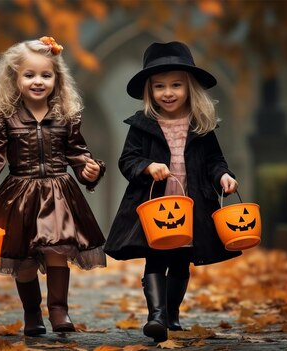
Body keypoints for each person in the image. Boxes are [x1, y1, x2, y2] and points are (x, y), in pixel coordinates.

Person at [0, 36, 107, 336]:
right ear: (14, 78)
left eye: (46, 75)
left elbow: (77, 153)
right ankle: (33, 313)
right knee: (24, 259)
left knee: (58, 249)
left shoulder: (66, 116)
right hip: (19, 194)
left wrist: (90, 170)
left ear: (57, 79)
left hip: (59, 193)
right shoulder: (4, 117)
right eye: (29, 75)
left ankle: (59, 311)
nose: (38, 81)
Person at [103, 41, 241, 343]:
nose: (168, 92)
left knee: (180, 261)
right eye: (159, 86)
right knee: (156, 257)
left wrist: (225, 177)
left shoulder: (201, 126)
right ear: (149, 91)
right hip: (156, 205)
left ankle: (172, 313)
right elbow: (127, 160)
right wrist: (147, 167)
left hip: (192, 205)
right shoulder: (141, 125)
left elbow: (215, 162)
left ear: (189, 87)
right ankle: (156, 316)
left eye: (176, 85)